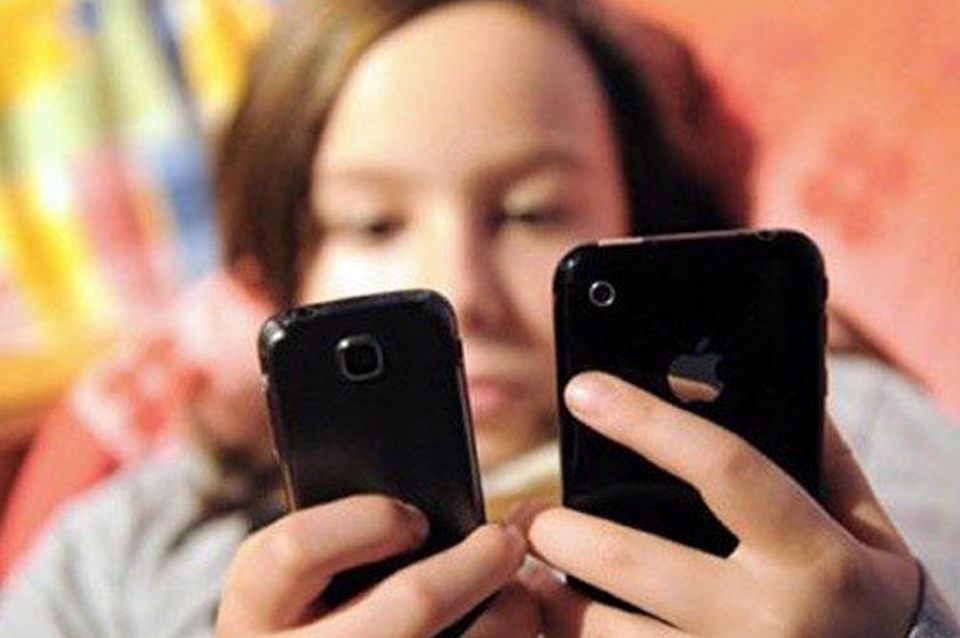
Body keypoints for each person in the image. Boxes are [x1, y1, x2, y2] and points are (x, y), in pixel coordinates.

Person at [1, 0, 959, 636]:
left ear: (636, 218)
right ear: (289, 263)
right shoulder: (126, 544)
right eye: (373, 222)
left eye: (532, 211)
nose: (460, 287)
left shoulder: (837, 442)